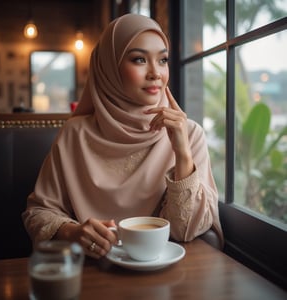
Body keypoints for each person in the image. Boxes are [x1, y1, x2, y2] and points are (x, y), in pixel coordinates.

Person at [22, 13, 223, 259]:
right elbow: (39, 212)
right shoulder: (74, 135)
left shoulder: (189, 134)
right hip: (90, 273)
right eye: (139, 59)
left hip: (167, 277)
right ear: (109, 66)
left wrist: (181, 152)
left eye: (163, 60)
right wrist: (72, 232)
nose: (156, 73)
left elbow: (186, 230)